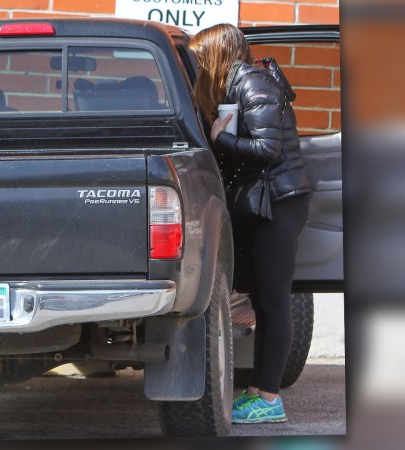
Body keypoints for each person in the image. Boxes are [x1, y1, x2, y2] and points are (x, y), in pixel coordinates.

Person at [189, 23, 311, 424]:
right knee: (262, 301)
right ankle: (258, 390)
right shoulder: (238, 85)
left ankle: (270, 398)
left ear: (217, 56)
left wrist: (219, 137)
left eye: (200, 58)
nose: (198, 66)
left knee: (274, 303)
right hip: (267, 203)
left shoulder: (254, 81)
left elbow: (267, 149)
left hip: (279, 203)